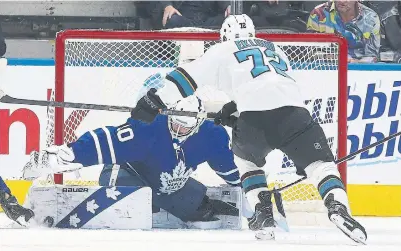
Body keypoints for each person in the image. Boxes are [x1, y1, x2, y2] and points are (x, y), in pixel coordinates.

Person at [130, 14, 367, 244]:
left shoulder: (222, 49)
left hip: (252, 120)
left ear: (224, 35)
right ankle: (338, 207)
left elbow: (184, 79)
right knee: (321, 166)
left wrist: (154, 101)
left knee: (247, 164)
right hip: (295, 115)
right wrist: (234, 106)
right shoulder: (275, 49)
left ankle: (263, 215)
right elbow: (270, 85)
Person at [23, 95, 241, 227]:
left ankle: (157, 205)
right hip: (125, 173)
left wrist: (245, 188)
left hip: (166, 185)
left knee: (200, 208)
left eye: (185, 126)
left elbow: (227, 167)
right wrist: (68, 154)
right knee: (133, 198)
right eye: (175, 123)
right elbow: (105, 139)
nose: (178, 129)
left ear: (198, 123)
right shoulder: (148, 128)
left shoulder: (213, 135)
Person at [307, 0, 380, 63]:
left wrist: (356, 63)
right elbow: (311, 52)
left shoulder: (371, 18)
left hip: (359, 67)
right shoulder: (318, 13)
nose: (341, 1)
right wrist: (338, 59)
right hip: (326, 66)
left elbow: (372, 56)